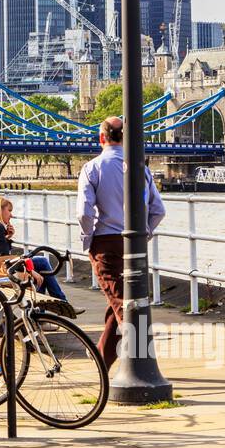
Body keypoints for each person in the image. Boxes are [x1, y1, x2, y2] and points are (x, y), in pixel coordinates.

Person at [77, 115, 166, 373]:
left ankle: (140, 367)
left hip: (106, 243)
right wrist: (143, 233)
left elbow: (84, 213)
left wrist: (88, 239)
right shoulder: (141, 169)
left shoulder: (92, 168)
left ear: (101, 138)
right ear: (125, 138)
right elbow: (158, 209)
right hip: (135, 245)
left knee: (122, 306)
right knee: (119, 301)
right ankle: (103, 361)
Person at [0, 195, 80, 314]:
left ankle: (41, 313)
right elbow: (6, 259)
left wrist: (7, 237)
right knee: (41, 263)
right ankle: (62, 305)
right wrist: (31, 270)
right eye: (9, 211)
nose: (11, 215)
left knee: (39, 267)